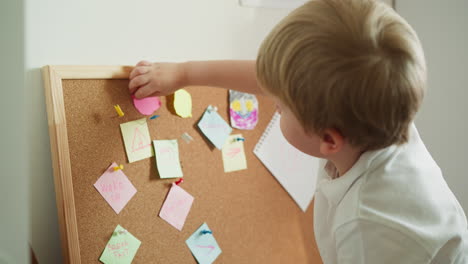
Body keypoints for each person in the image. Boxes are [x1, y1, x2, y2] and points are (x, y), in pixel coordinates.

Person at [128, 0, 468, 262]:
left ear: (329, 140)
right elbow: (271, 77)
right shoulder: (380, 110)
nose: (272, 102)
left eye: (281, 105)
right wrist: (184, 73)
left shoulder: (366, 227)